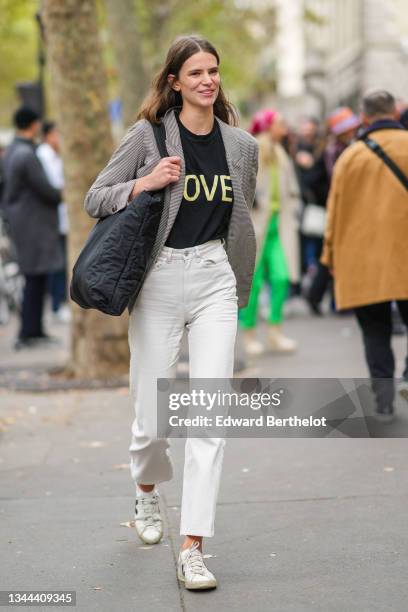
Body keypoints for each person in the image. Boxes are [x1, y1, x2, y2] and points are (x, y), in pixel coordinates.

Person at [84, 35, 258, 590]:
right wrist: (145, 182)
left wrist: (240, 285)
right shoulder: (149, 136)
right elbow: (95, 197)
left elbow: (241, 219)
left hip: (214, 279)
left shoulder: (241, 146)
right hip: (158, 280)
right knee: (152, 419)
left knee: (208, 418)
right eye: (196, 72)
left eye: (213, 70)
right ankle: (146, 492)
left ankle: (194, 546)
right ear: (174, 82)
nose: (207, 80)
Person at [321, 90, 408, 422]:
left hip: (363, 260)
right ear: (395, 113)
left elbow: (335, 212)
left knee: (375, 332)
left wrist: (329, 257)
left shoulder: (350, 157)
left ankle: (383, 401)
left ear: (365, 117)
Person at [239, 109, 300, 355]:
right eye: (280, 123)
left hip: (279, 225)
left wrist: (294, 210)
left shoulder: (280, 152)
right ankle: (250, 334)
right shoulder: (255, 149)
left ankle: (275, 331)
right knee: (252, 284)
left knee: (281, 277)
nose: (284, 128)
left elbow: (291, 189)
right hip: (255, 225)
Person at [2, 107, 63, 349]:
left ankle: (33, 330)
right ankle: (30, 332)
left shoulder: (12, 151)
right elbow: (45, 189)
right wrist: (61, 194)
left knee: (33, 278)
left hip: (21, 221)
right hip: (32, 223)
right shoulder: (26, 154)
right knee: (35, 278)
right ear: (34, 124)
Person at [307, 107, 360, 315]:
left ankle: (328, 299)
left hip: (339, 210)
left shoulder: (336, 149)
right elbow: (322, 181)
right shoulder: (334, 151)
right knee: (332, 257)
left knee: (333, 256)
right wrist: (327, 198)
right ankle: (323, 298)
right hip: (337, 211)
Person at [37, 121, 71, 323]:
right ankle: (57, 305)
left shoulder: (55, 155)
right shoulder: (43, 155)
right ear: (49, 135)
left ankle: (60, 304)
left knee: (62, 261)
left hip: (61, 217)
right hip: (51, 218)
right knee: (57, 263)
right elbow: (55, 186)